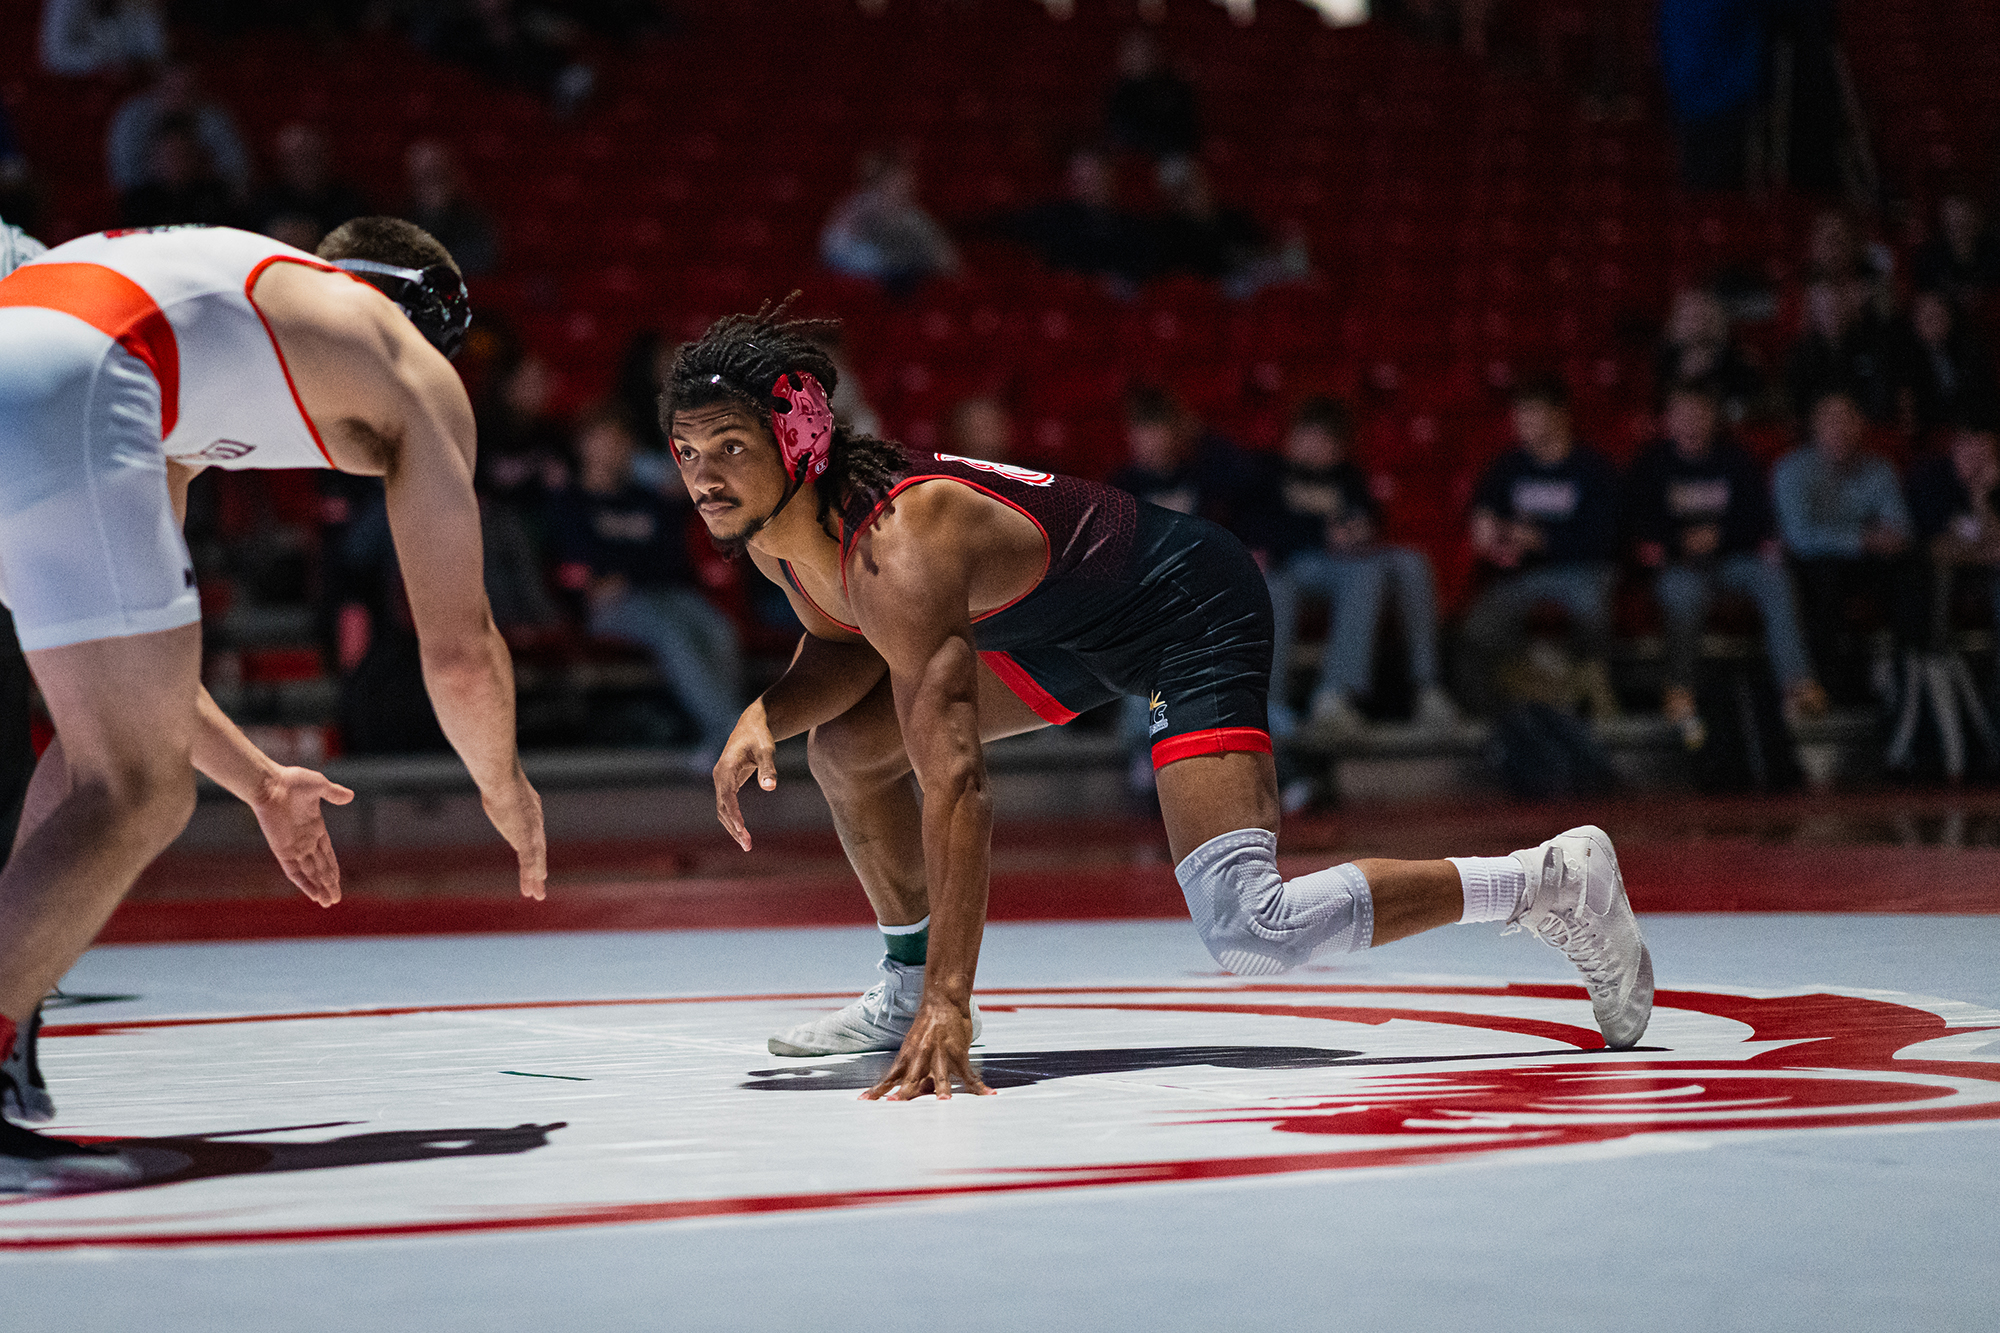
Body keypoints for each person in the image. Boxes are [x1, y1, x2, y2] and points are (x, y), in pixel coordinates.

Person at [671, 305, 1653, 1100]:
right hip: (1067, 627)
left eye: (727, 447)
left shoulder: (898, 543)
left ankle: (1545, 880)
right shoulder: (777, 529)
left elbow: (959, 784)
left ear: (797, 441)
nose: (704, 478)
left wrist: (954, 1003)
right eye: (686, 452)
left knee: (1247, 926)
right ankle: (897, 985)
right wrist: (770, 710)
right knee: (844, 750)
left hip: (1185, 603)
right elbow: (841, 637)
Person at [0, 219, 548, 1188]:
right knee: (135, 790)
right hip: (70, 368)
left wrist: (256, 781)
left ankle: (8, 1034)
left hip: (35, 344)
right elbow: (458, 651)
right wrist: (502, 780)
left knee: (105, 756)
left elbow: (142, 676)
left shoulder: (219, 340)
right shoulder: (405, 362)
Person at [1626, 380, 1825, 735]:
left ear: (1713, 416)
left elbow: (1757, 518)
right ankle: (1680, 692)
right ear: (1668, 418)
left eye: (1699, 411)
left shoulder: (1735, 459)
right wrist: (1681, 542)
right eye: (1682, 412)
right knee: (1682, 594)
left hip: (1733, 558)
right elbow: (1639, 524)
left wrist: (1718, 536)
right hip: (1679, 563)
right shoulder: (1650, 464)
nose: (1691, 419)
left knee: (1775, 579)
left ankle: (1797, 685)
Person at [548, 408, 744, 761]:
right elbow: (576, 566)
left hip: (666, 593)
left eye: (620, 439)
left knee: (718, 630)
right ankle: (729, 733)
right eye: (603, 439)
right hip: (610, 609)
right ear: (583, 446)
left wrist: (623, 571)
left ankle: (722, 734)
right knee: (670, 630)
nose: (613, 447)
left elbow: (669, 558)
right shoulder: (569, 501)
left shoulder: (649, 498)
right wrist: (614, 576)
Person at [1259, 397, 1457, 739]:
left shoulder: (1350, 477)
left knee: (1410, 562)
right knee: (1361, 572)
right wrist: (1322, 532)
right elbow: (1263, 531)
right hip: (1296, 564)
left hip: (1348, 563)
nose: (1311, 446)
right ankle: (1326, 699)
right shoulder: (1271, 473)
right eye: (1306, 436)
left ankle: (1424, 689)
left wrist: (1356, 531)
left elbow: (1370, 521)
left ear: (1339, 446)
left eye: (1322, 440)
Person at [1460, 375, 1623, 717]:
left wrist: (1540, 539)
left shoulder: (1593, 468)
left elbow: (1604, 541)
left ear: (1560, 416)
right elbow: (1486, 521)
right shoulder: (1506, 467)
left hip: (1582, 571)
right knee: (1477, 628)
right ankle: (1498, 717)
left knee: (1591, 613)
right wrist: (1490, 537)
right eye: (1519, 416)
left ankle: (1594, 704)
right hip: (1522, 576)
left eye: (1532, 415)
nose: (1523, 424)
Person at [1772, 388, 1919, 702]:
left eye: (1846, 420)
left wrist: (1877, 540)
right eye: (1829, 421)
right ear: (1815, 427)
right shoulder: (1791, 470)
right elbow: (1799, 537)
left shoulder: (1880, 469)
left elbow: (1900, 530)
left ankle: (1909, 677)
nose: (1838, 429)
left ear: (1860, 425)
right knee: (1822, 574)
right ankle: (1832, 688)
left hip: (1866, 563)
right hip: (1815, 565)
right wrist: (1861, 538)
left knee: (1910, 570)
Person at [1905, 426, 2000, 671]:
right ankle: (1937, 673)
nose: (1977, 453)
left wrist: (1981, 497)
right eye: (1970, 444)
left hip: (1985, 577)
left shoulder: (1993, 485)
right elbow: (1939, 549)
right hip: (1934, 576)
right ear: (1956, 445)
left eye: (1985, 447)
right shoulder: (1931, 478)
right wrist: (1984, 553)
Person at [819, 148, 960, 298]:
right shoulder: (854, 209)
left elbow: (947, 262)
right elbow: (833, 254)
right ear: (883, 180)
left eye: (907, 180)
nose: (905, 185)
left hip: (906, 286)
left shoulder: (916, 218)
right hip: (860, 287)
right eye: (896, 180)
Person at [105, 62, 250, 203]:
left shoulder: (213, 117)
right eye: (171, 89)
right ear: (158, 86)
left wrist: (197, 170)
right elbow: (123, 179)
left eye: (187, 90)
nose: (179, 97)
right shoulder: (133, 117)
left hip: (206, 197)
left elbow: (238, 172)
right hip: (148, 201)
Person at [249, 123, 372, 253]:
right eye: (296, 158)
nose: (304, 166)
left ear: (325, 157)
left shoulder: (347, 202)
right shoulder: (265, 203)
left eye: (311, 156)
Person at [1898, 289, 1999, 439]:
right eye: (1927, 318)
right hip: (1931, 432)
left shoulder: (1968, 349)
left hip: (1973, 427)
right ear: (1915, 321)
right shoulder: (1905, 358)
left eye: (1938, 316)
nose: (1933, 322)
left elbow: (1983, 393)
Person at [401, 139, 498, 278]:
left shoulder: (475, 221)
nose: (431, 185)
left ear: (452, 175)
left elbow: (483, 262)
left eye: (437, 175)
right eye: (423, 177)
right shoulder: (402, 220)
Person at [39, 0, 168, 77]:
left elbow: (157, 51)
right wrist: (102, 62)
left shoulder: (136, 5)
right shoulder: (65, 4)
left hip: (131, 85)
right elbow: (53, 57)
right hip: (83, 85)